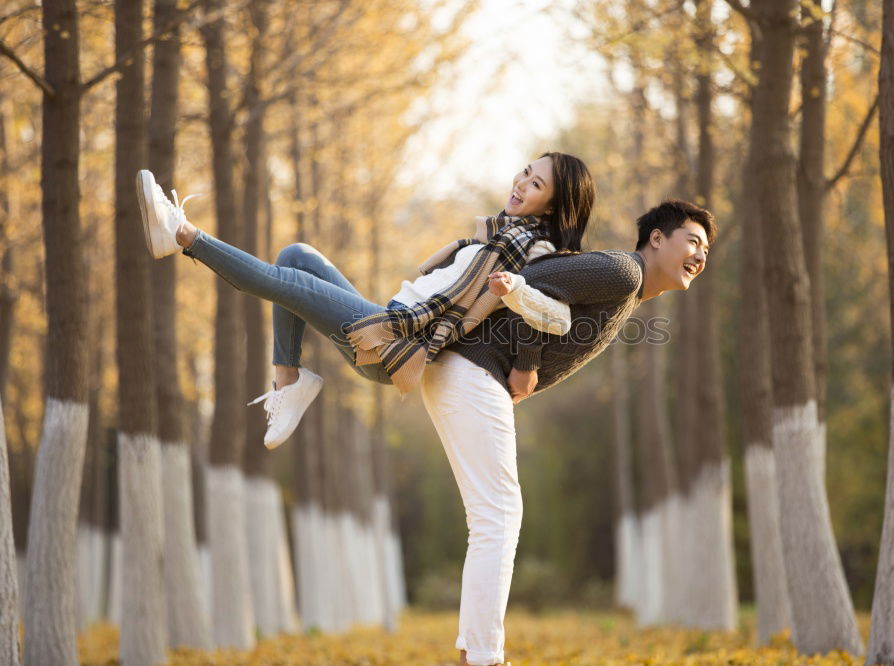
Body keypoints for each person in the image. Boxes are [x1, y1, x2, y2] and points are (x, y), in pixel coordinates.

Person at [421, 198, 716, 666]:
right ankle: (482, 656)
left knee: (495, 515)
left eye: (706, 250)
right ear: (657, 238)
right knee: (498, 516)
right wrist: (525, 364)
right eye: (693, 241)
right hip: (476, 370)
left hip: (473, 375)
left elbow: (545, 297)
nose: (701, 256)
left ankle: (477, 652)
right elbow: (527, 287)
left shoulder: (629, 290)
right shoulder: (625, 272)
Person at [135, 153, 595, 449]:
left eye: (536, 185)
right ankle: (289, 382)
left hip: (394, 343)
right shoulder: (504, 232)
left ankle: (182, 234)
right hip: (388, 314)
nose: (521, 183)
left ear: (553, 208)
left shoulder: (538, 251)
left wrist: (525, 350)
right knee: (296, 255)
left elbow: (551, 310)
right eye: (526, 171)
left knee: (285, 280)